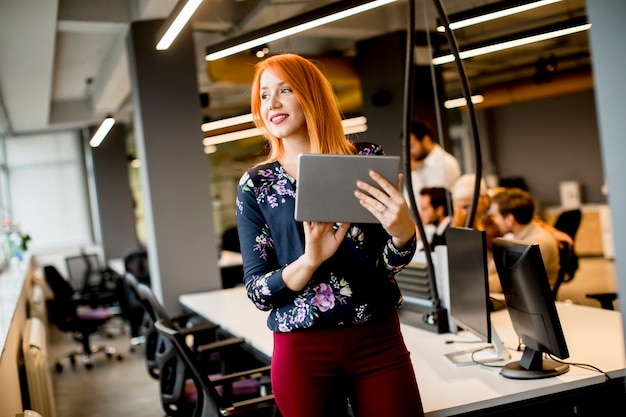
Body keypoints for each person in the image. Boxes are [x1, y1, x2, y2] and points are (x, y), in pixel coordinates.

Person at [235, 53, 424, 417]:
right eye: (264, 95)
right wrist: (309, 261)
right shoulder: (257, 185)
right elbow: (258, 292)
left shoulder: (363, 160)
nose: (272, 103)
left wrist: (403, 233)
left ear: (311, 96)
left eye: (285, 90)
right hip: (304, 351)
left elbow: (385, 263)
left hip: (378, 340)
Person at [489, 187, 560, 292]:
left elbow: (510, 283)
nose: (495, 220)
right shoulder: (511, 236)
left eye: (496, 216)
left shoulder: (538, 244)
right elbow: (492, 270)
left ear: (510, 220)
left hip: (529, 301)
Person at [407, 120, 461, 198]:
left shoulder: (445, 163)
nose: (409, 152)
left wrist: (414, 174)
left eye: (411, 146)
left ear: (426, 140)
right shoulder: (417, 164)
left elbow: (430, 204)